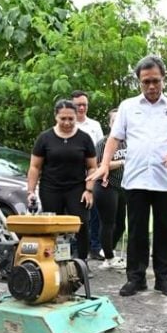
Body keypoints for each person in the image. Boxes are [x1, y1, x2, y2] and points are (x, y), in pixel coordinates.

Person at [93, 56, 167, 298]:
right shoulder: (128, 107)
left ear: (163, 79)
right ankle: (135, 278)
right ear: (139, 82)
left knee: (164, 230)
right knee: (136, 230)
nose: (151, 86)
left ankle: (164, 278)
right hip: (135, 178)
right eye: (146, 82)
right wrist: (104, 165)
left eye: (155, 81)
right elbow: (114, 138)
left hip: (164, 179)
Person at [27, 99, 97, 259]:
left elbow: (92, 167)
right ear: (55, 117)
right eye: (63, 118)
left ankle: (81, 261)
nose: (67, 122)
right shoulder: (45, 138)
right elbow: (35, 167)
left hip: (77, 188)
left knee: (81, 223)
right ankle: (53, 260)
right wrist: (30, 191)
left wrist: (89, 190)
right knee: (52, 225)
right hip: (50, 188)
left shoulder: (84, 138)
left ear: (76, 117)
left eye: (71, 119)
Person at [72, 90, 105, 259]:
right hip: (73, 175)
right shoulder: (68, 124)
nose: (82, 108)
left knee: (94, 213)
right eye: (78, 105)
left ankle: (95, 246)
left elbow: (101, 150)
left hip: (93, 173)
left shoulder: (94, 125)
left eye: (84, 104)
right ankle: (74, 248)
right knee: (75, 213)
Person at [94, 108, 128, 270]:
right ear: (109, 123)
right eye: (114, 121)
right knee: (108, 223)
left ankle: (108, 250)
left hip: (123, 186)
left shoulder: (128, 142)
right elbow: (100, 165)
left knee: (121, 224)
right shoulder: (103, 142)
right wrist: (122, 162)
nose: (117, 124)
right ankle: (108, 257)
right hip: (106, 185)